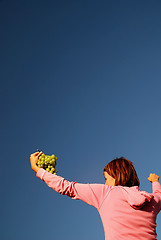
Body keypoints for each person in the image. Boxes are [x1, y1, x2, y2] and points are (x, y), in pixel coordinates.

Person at [30, 152, 161, 240]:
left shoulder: (106, 193)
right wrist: (155, 181)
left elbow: (67, 187)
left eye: (106, 178)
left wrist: (38, 169)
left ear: (116, 176)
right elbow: (158, 195)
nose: (105, 182)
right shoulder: (152, 201)